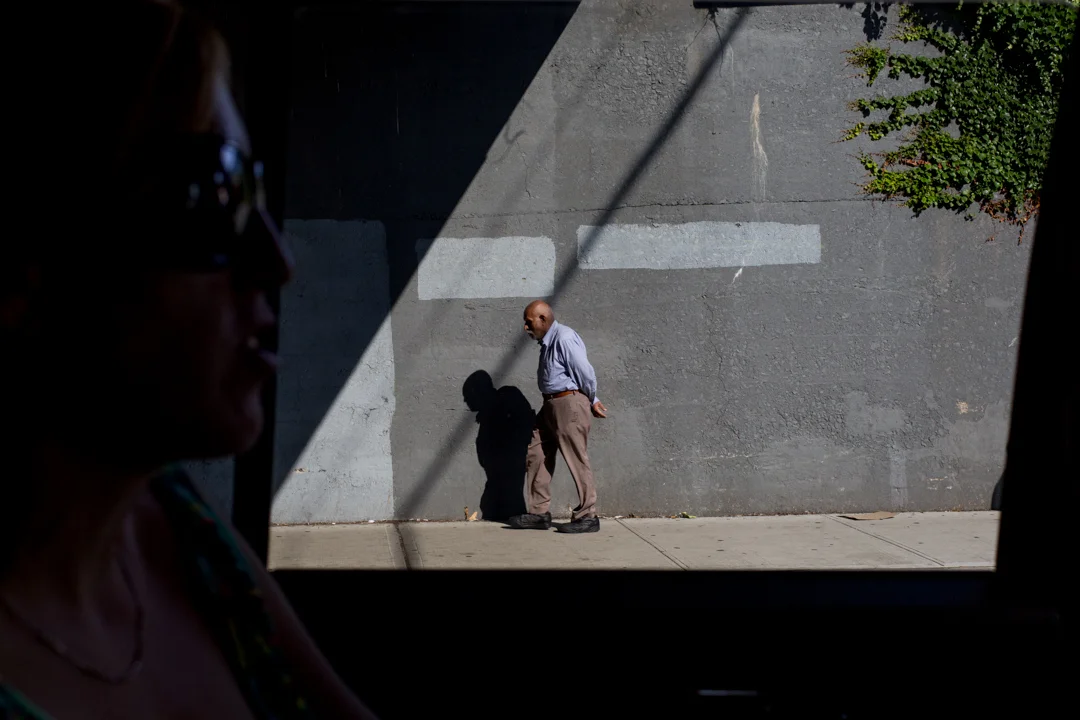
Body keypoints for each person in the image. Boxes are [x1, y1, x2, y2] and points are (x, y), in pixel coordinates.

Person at [0, 2, 376, 717]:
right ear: (28, 263)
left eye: (255, 192)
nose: (278, 259)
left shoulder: (179, 527)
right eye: (209, 195)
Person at [509, 301, 608, 534]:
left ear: (543, 319)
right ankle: (538, 513)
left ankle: (587, 516)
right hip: (550, 404)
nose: (525, 327)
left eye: (528, 321)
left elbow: (585, 372)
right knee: (537, 452)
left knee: (576, 457)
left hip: (568, 403)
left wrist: (592, 399)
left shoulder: (563, 338)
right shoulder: (547, 342)